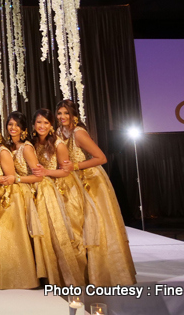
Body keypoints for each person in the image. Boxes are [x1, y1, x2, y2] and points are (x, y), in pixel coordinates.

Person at [56, 99, 136, 286]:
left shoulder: (79, 133)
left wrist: (76, 165)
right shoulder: (60, 132)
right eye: (59, 113)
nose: (62, 117)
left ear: (74, 115)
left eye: (66, 113)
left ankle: (105, 273)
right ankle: (84, 272)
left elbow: (101, 158)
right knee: (79, 227)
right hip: (73, 182)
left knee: (97, 225)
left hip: (91, 181)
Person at [31, 109, 87, 286]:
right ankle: (48, 273)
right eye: (39, 122)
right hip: (42, 189)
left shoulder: (58, 144)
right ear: (33, 124)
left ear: (51, 125)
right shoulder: (32, 143)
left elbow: (65, 171)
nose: (42, 126)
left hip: (62, 189)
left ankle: (71, 276)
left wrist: (46, 172)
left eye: (46, 123)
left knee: (66, 233)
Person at [0, 112, 48, 289]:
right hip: (15, 189)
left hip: (28, 191)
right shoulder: (8, 147)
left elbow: (38, 177)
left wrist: (16, 179)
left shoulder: (26, 147)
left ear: (23, 128)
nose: (13, 128)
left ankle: (31, 275)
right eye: (10, 124)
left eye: (17, 125)